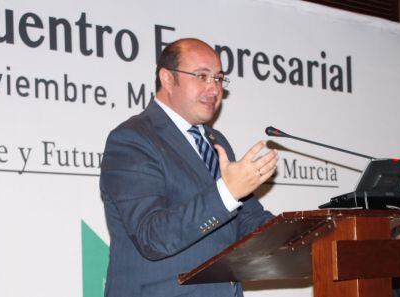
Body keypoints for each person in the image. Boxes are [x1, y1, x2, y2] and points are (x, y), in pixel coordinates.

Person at [99, 38, 279, 297]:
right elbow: (152, 236)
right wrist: (226, 193)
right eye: (202, 76)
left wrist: (308, 233)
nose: (214, 89)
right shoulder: (132, 139)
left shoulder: (215, 141)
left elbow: (248, 220)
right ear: (168, 79)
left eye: (218, 79)